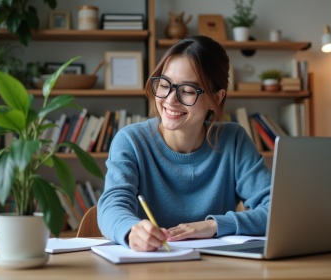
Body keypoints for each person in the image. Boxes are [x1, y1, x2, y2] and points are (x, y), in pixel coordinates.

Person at [97, 35, 271, 252]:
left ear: (216, 98)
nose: (170, 100)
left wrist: (215, 225)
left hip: (218, 268)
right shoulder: (131, 141)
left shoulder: (233, 140)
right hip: (150, 267)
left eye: (187, 91)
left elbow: (277, 209)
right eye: (164, 84)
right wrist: (131, 230)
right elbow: (111, 206)